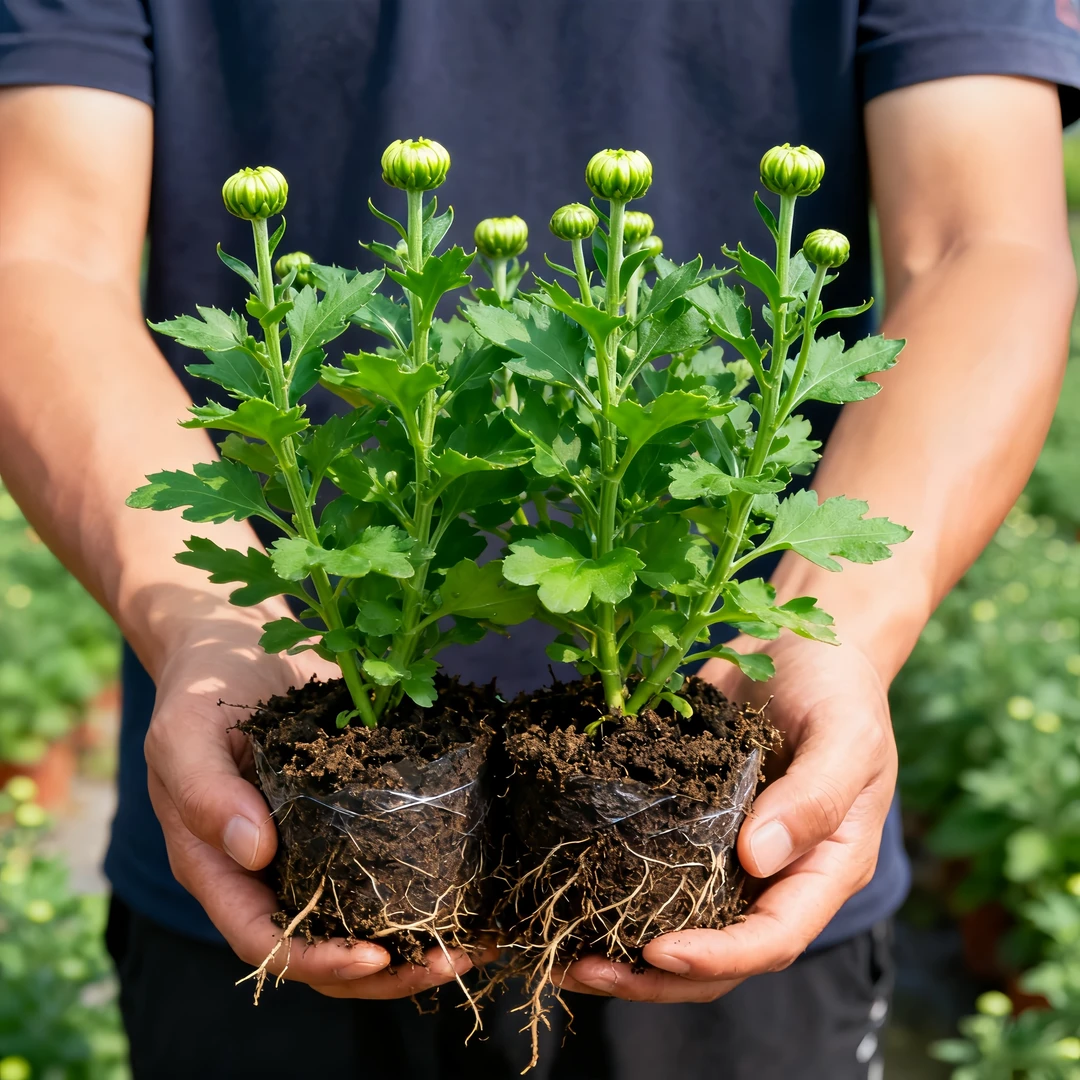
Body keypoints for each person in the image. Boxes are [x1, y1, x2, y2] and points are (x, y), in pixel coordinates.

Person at [0, 1, 1076, 1077]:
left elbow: (983, 242)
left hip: (737, 829)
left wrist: (831, 624)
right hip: (273, 836)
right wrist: (211, 629)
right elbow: (40, 253)